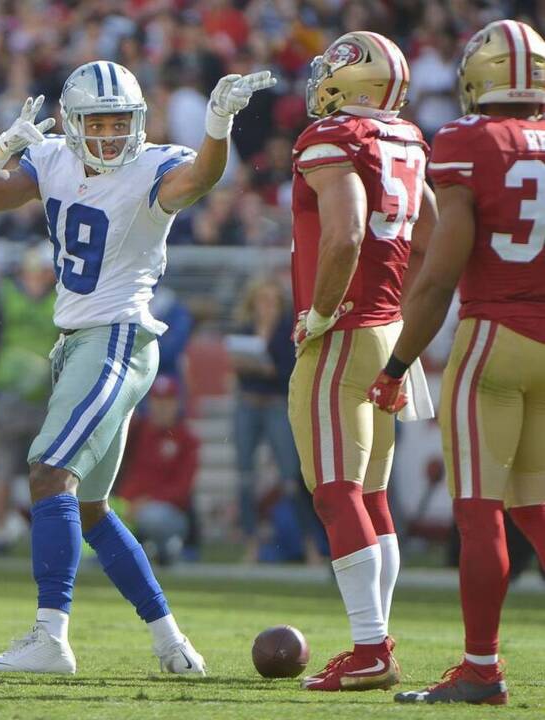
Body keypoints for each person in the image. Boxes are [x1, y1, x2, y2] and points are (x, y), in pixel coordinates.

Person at [0, 60, 276, 674]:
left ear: (138, 122)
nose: (107, 135)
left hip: (117, 337)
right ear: (73, 124)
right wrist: (4, 145)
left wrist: (218, 123)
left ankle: (50, 638)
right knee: (92, 508)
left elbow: (202, 178)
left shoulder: (151, 166)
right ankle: (170, 642)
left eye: (118, 121)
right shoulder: (52, 159)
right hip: (77, 343)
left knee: (50, 472)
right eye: (95, 122)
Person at [369, 20, 545, 705]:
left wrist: (396, 365)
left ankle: (480, 668)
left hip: (495, 338)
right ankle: (478, 667)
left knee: (479, 512)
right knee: (537, 508)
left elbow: (440, 275)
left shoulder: (470, 141)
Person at [287, 31, 436, 691]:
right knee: (370, 495)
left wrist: (321, 313)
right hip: (386, 328)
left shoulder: (335, 139)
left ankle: (371, 646)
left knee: (335, 491)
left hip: (343, 335)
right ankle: (376, 636)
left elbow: (345, 235)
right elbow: (431, 236)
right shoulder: (406, 140)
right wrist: (398, 314)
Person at [0, 243, 58, 551]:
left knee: (43, 469)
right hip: (9, 393)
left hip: (44, 396)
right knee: (3, 465)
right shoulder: (5, 296)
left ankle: (40, 533)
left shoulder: (59, 300)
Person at [228, 277, 300, 563]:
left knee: (290, 475)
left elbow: (287, 372)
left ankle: (304, 541)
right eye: (262, 300)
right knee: (245, 475)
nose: (267, 307)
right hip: (248, 405)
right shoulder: (245, 330)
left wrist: (268, 370)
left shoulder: (287, 332)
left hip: (275, 405)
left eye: (272, 301)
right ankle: (251, 543)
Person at [117, 375, 199, 566]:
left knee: (153, 518)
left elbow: (181, 490)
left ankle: (162, 548)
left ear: (177, 404)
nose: (162, 407)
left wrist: (145, 502)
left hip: (165, 511)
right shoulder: (137, 430)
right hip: (125, 504)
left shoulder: (186, 440)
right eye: (157, 400)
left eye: (168, 401)